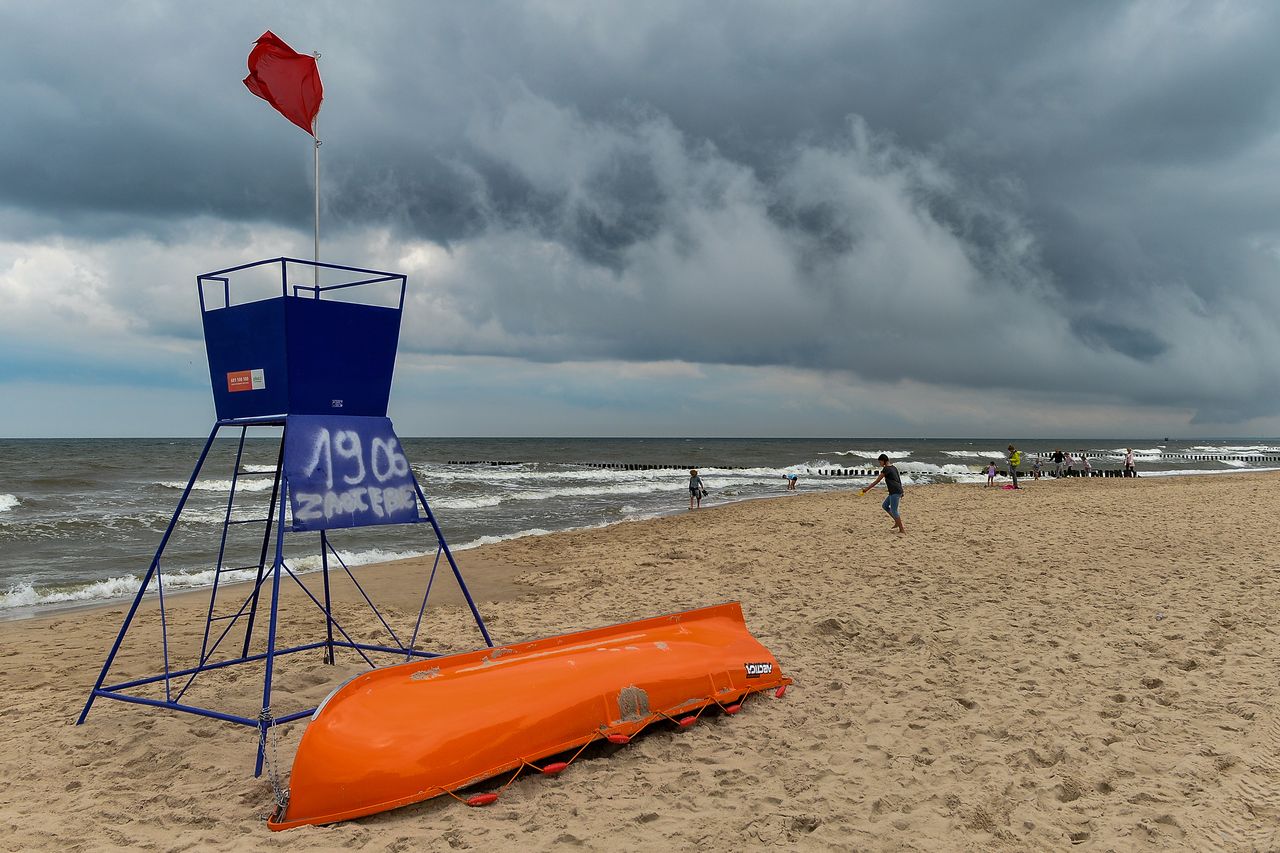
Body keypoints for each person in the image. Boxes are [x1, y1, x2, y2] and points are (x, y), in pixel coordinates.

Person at [859, 453, 905, 534]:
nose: (880, 464)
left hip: (895, 491)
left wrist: (866, 489)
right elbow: (898, 480)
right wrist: (902, 490)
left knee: (894, 511)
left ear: (884, 461)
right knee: (885, 506)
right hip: (895, 490)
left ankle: (902, 529)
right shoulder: (894, 467)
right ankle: (897, 522)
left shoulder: (886, 469)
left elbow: (877, 481)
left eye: (880, 462)